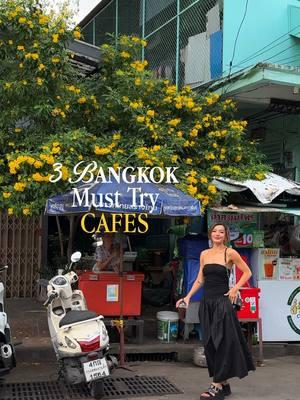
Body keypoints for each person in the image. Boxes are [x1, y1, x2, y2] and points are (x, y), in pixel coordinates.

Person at [176, 223, 255, 399]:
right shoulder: (204, 254)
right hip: (207, 303)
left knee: (222, 342)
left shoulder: (230, 253)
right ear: (210, 234)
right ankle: (224, 384)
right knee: (210, 343)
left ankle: (216, 385)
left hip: (222, 303)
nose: (217, 234)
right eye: (214, 231)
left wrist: (235, 289)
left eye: (221, 232)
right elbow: (199, 280)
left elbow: (247, 272)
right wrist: (187, 297)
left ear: (225, 235)